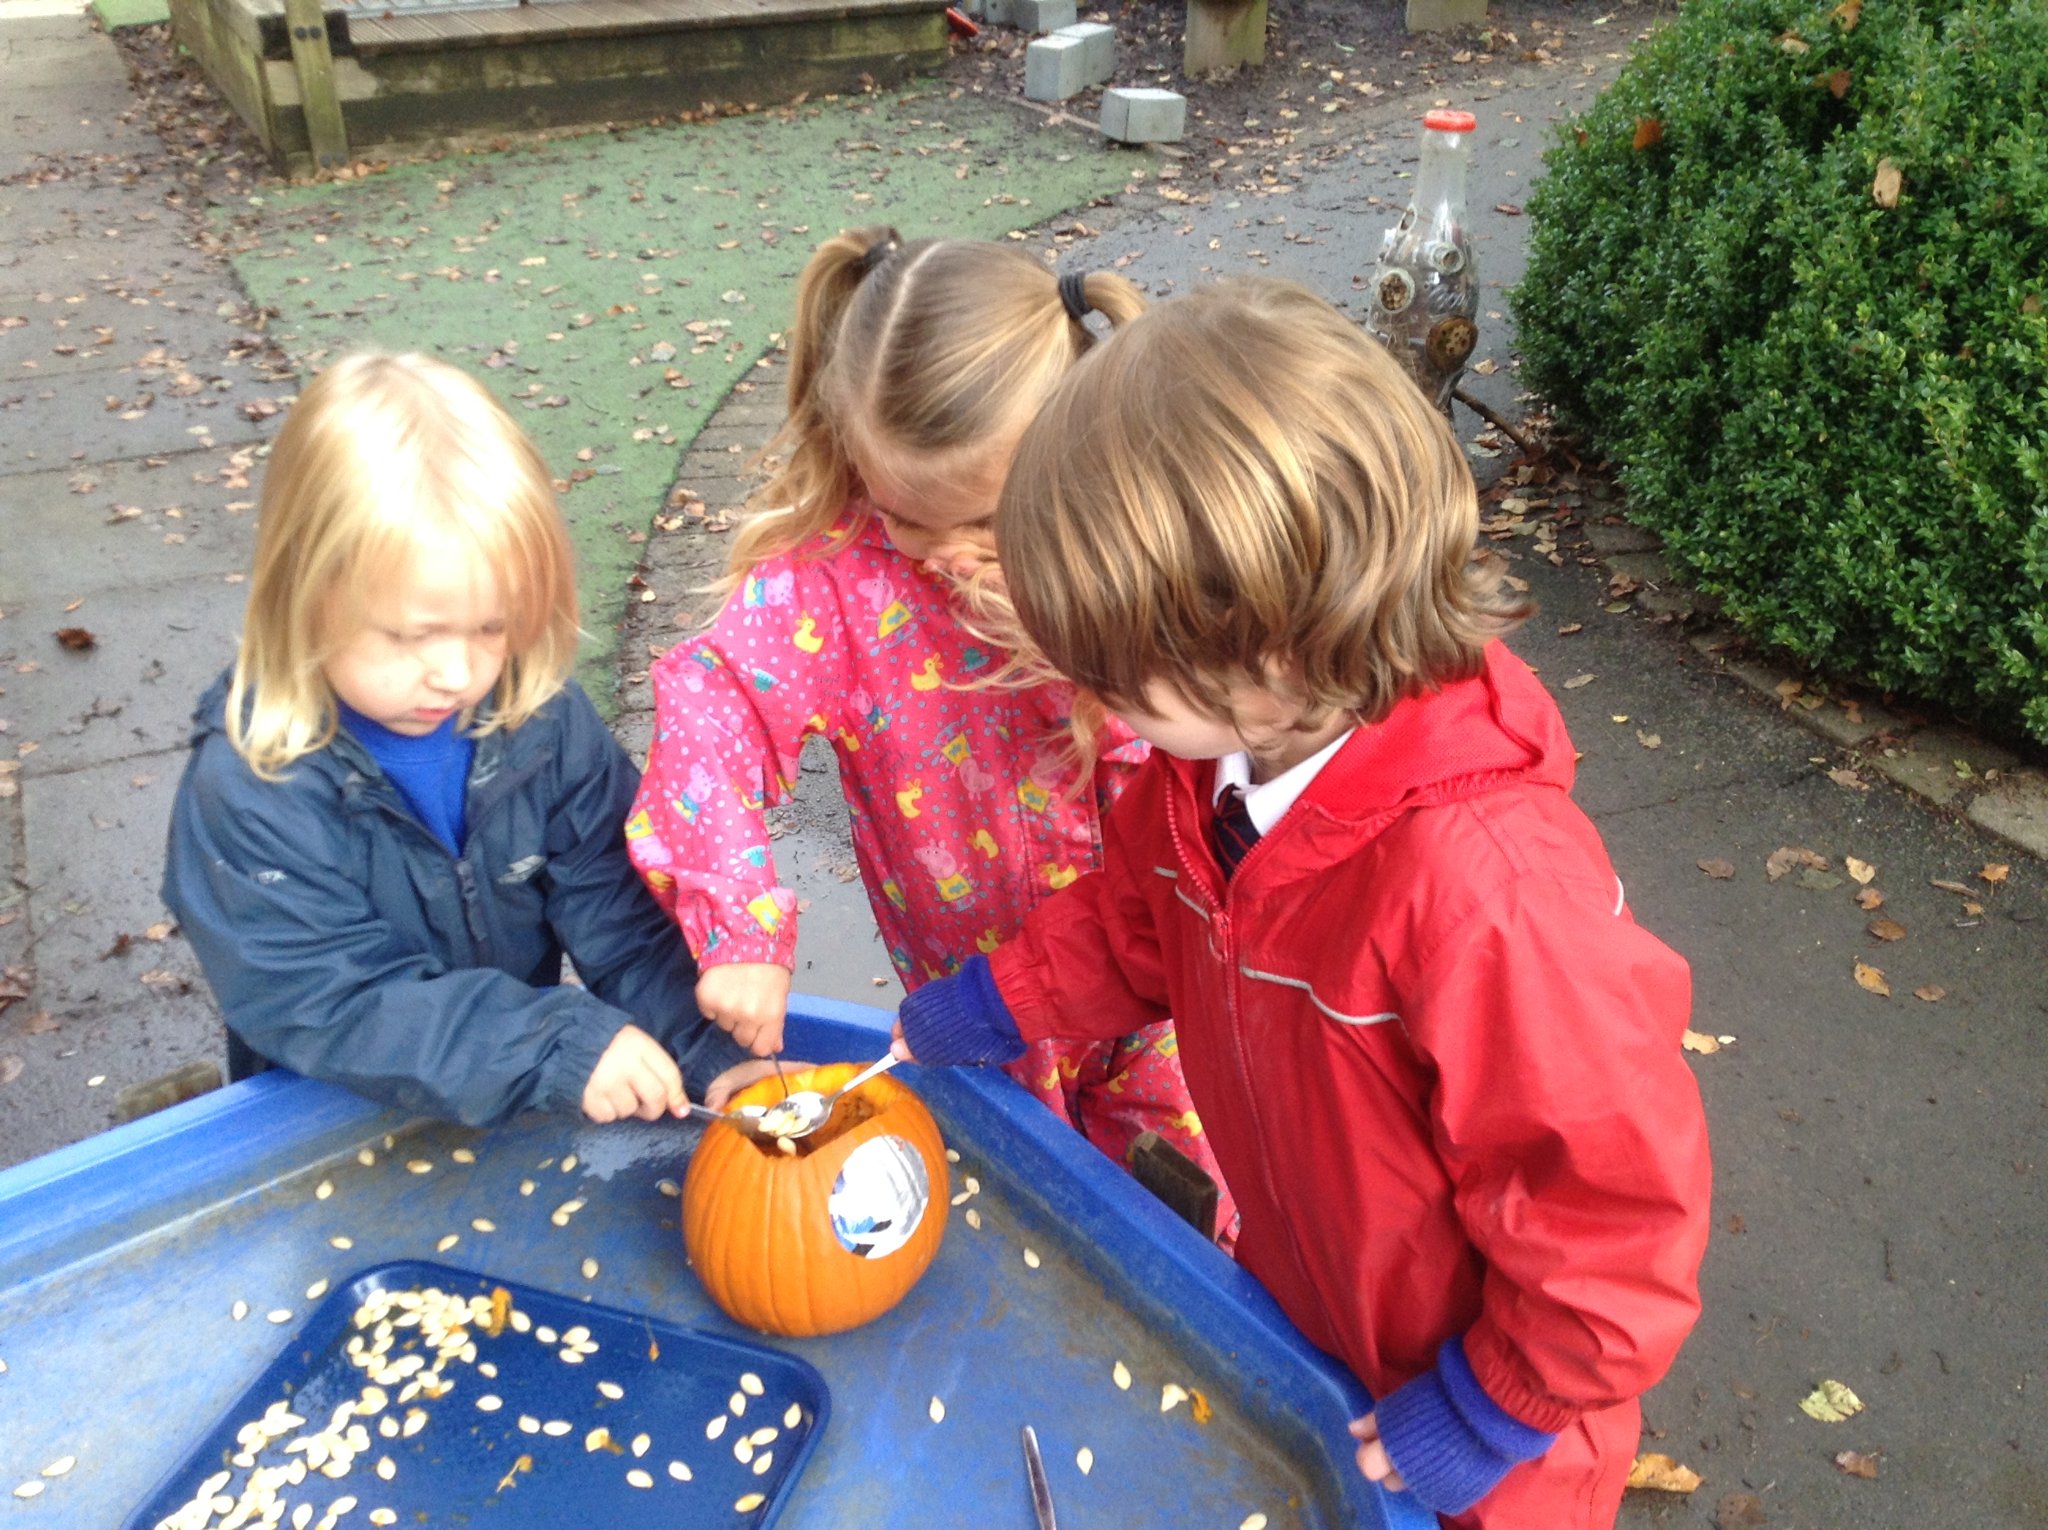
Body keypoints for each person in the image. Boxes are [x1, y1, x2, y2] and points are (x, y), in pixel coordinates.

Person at [890, 279, 1711, 1527]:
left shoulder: (1484, 890)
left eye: (1122, 677)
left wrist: (1493, 1408)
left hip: (1497, 1435)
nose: (1104, 712)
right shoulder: (1208, 768)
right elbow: (1135, 922)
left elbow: (1606, 1209)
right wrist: (989, 1005)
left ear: (1271, 640)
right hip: (1308, 1317)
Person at [627, 227, 1236, 1242]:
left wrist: (1078, 618)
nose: (942, 555)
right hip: (978, 1018)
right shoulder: (837, 585)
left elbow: (1233, 730)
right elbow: (709, 708)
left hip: (1167, 1003)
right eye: (905, 514)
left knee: (1187, 1224)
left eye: (987, 522)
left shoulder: (1139, 548)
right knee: (1029, 1230)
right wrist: (736, 926)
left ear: (1077, 455)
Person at [163, 351, 769, 1127]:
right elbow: (328, 999)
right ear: (305, 600)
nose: (455, 674)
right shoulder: (253, 788)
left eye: (491, 627)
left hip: (505, 1096)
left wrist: (708, 1054)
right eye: (411, 638)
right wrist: (547, 1043)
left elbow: (620, 909)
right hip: (330, 1120)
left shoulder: (540, 721)